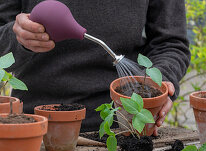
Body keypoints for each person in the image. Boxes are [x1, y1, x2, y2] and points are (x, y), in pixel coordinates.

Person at [0, 0, 190, 135]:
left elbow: (170, 43)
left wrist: (161, 81)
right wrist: (19, 38)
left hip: (124, 127)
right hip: (33, 126)